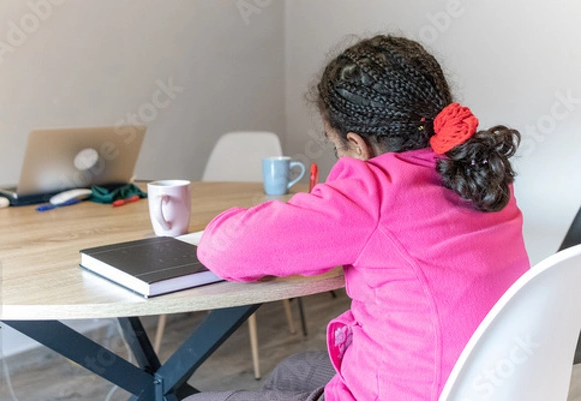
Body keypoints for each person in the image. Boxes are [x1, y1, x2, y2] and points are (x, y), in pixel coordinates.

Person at [190, 34, 530, 401]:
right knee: (294, 369)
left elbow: (223, 249)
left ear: (357, 144)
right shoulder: (483, 175)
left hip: (415, 391)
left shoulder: (373, 192)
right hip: (489, 382)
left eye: (336, 146)